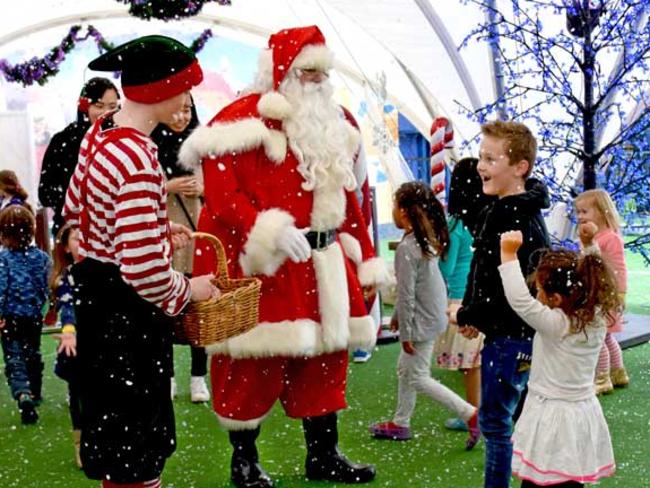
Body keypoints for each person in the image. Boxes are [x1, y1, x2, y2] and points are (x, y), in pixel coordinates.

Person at [180, 25, 389, 488]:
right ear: (280, 71)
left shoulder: (340, 125)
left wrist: (364, 258)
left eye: (322, 74)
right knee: (250, 367)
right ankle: (245, 460)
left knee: (325, 362)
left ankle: (324, 453)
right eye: (306, 72)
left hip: (325, 263)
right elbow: (221, 195)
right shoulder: (239, 124)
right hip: (266, 268)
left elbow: (352, 199)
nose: (316, 82)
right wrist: (268, 228)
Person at [62, 35, 216, 488]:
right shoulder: (137, 156)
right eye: (185, 89)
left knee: (115, 442)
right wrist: (192, 290)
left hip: (98, 306)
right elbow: (145, 274)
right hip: (125, 321)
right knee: (136, 450)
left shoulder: (102, 129)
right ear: (160, 90)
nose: (188, 101)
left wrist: (150, 225)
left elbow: (79, 204)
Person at [448, 120, 550, 488]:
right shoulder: (519, 209)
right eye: (480, 157)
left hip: (509, 338)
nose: (480, 166)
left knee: (495, 421)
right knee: (519, 415)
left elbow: (501, 283)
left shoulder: (508, 215)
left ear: (520, 167)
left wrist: (468, 312)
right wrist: (477, 311)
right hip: (520, 335)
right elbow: (494, 275)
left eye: (491, 158)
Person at [498, 225, 618, 487]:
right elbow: (592, 277)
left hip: (553, 418)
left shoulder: (556, 324)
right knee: (571, 479)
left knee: (542, 480)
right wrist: (589, 246)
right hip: (580, 415)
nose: (536, 295)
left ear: (554, 298)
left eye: (540, 290)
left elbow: (519, 300)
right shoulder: (594, 317)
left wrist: (508, 256)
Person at [369, 181, 480, 449]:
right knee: (405, 370)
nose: (393, 212)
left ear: (405, 211)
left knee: (417, 376)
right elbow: (414, 287)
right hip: (430, 316)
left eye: (394, 206)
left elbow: (406, 293)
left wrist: (404, 331)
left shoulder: (408, 248)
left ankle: (471, 415)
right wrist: (397, 315)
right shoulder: (423, 239)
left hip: (422, 321)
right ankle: (401, 422)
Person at [151, 95, 209, 403]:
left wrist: (203, 187)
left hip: (198, 231)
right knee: (165, 307)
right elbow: (140, 190)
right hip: (165, 231)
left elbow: (218, 184)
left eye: (188, 109)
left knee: (198, 309)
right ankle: (168, 376)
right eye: (177, 109)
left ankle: (199, 377)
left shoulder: (202, 142)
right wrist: (168, 186)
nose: (182, 116)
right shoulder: (148, 144)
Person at [434, 157, 494, 431]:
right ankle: (485, 408)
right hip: (489, 297)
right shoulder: (491, 215)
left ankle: (473, 412)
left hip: (461, 299)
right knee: (482, 359)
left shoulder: (456, 225)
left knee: (470, 363)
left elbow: (445, 268)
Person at [39, 77, 119, 236]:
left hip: (115, 229)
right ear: (84, 106)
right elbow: (45, 193)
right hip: (72, 231)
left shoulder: (122, 139)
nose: (106, 113)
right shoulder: (63, 140)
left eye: (112, 106)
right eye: (99, 106)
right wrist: (74, 204)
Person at [0, 205, 51, 424]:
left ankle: (23, 393)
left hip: (11, 315)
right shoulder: (40, 258)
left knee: (14, 356)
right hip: (32, 314)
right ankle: (36, 390)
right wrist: (40, 306)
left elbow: (1, 287)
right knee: (33, 352)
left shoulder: (4, 260)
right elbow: (44, 286)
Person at [575, 189, 629, 395]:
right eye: (578, 212)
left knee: (598, 338)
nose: (580, 217)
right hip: (599, 294)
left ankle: (602, 377)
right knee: (606, 337)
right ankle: (618, 373)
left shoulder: (609, 239)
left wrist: (620, 293)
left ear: (601, 212)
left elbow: (619, 267)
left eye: (584, 212)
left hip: (606, 295)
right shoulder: (597, 237)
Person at [50, 223, 83, 467]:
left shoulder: (102, 271)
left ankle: (98, 438)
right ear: (66, 247)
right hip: (76, 344)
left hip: (101, 342)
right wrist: (70, 330)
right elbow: (67, 305)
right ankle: (80, 443)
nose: (82, 243)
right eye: (76, 239)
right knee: (78, 393)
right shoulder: (66, 278)